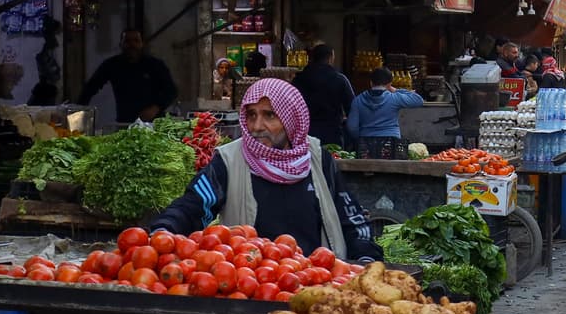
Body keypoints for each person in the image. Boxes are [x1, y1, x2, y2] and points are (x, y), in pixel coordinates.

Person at [152, 79, 377, 259]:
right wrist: (163, 231)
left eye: (269, 115)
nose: (257, 127)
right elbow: (192, 206)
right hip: (254, 289)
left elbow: (352, 219)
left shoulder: (318, 159)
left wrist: (365, 259)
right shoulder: (229, 161)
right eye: (251, 115)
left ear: (291, 119)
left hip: (315, 288)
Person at [81, 27, 177, 123]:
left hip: (153, 123)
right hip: (125, 123)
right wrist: (78, 111)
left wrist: (156, 107)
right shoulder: (112, 65)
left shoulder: (155, 65)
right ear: (121, 44)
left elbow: (171, 91)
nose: (132, 45)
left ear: (142, 44)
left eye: (136, 41)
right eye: (127, 41)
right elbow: (91, 87)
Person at [343, 68, 427, 158]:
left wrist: (360, 138)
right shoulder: (394, 98)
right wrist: (395, 90)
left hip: (365, 146)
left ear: (371, 82)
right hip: (391, 145)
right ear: (389, 84)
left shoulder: (358, 100)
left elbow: (352, 127)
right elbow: (418, 100)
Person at [292, 44, 355, 148]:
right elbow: (352, 108)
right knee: (332, 161)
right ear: (330, 59)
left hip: (305, 133)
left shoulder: (298, 79)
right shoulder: (340, 79)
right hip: (332, 133)